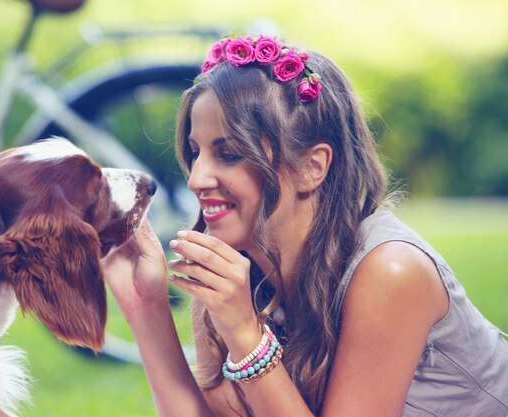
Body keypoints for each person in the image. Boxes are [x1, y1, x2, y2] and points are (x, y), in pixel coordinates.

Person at [101, 35, 508, 417]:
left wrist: (245, 332)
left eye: (228, 154)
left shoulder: (391, 271)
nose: (196, 178)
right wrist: (145, 305)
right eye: (195, 152)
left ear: (312, 167)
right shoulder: (235, 271)